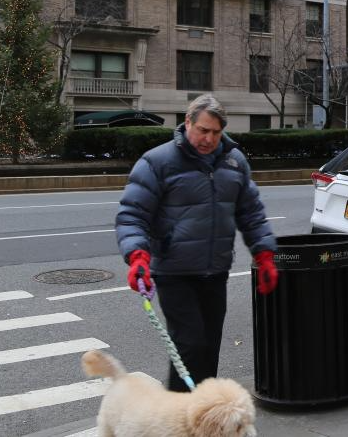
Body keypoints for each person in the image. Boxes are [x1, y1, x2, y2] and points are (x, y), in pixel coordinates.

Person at [115, 94, 278, 391]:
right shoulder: (157, 162)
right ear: (187, 122)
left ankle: (202, 410)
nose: (209, 139)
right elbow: (132, 215)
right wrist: (137, 256)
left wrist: (264, 254)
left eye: (216, 132)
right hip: (174, 272)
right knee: (189, 346)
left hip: (215, 271)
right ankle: (181, 413)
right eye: (203, 130)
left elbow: (251, 212)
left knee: (209, 347)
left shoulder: (234, 161)